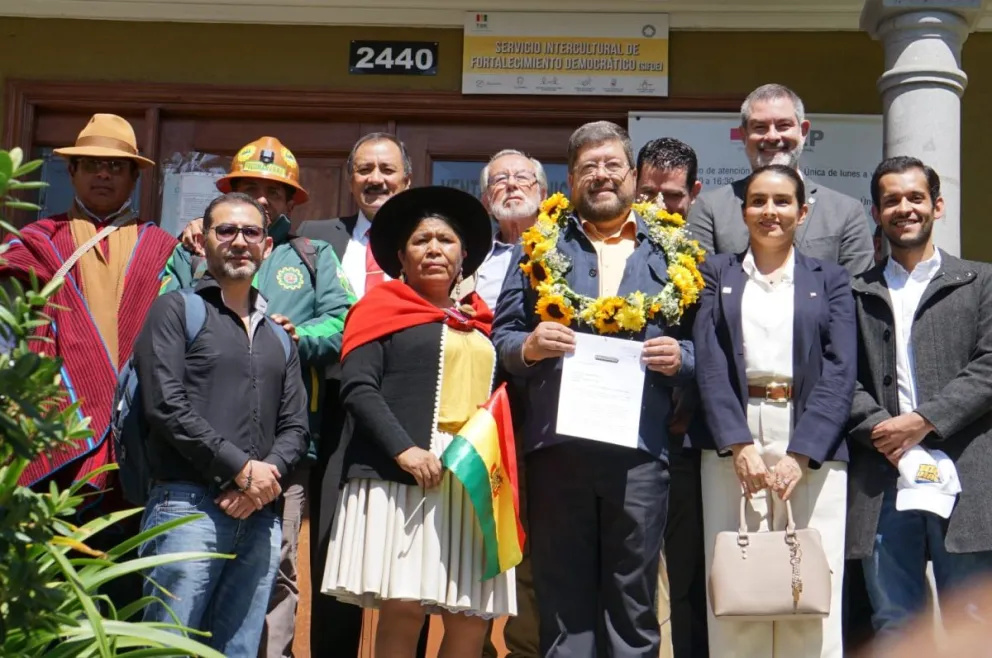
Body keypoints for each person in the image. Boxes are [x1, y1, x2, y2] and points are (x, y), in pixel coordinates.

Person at [493, 121, 696, 657]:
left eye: (611, 165)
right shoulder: (539, 245)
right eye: (589, 167)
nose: (601, 176)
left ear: (632, 175)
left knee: (633, 600)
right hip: (559, 450)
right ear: (570, 177)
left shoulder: (673, 247)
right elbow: (503, 338)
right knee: (563, 603)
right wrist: (529, 346)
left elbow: (708, 346)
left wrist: (683, 358)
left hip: (640, 452)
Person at [163, 136, 354, 658]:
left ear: (292, 203)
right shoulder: (193, 250)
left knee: (275, 572)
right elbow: (163, 325)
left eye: (275, 191)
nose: (263, 199)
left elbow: (345, 322)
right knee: (187, 573)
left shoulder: (313, 257)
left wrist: (298, 337)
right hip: (192, 453)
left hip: (283, 456)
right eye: (248, 187)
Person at [319, 185, 513, 657]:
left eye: (445, 241)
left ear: (463, 256)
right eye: (421, 240)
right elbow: (358, 388)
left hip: (470, 481)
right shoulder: (380, 310)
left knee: (471, 616)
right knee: (404, 609)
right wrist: (403, 449)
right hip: (403, 475)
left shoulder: (482, 322)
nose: (433, 249)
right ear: (401, 257)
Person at [134, 192, 310, 656]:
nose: (238, 242)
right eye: (225, 231)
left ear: (267, 247)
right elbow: (165, 405)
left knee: (238, 650)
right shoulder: (175, 310)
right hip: (186, 507)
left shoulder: (279, 336)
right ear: (203, 241)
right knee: (167, 647)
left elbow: (297, 427)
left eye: (250, 232)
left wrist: (260, 480)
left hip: (259, 517)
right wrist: (241, 469)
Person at [693, 164, 855, 657]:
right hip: (732, 439)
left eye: (782, 201)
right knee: (738, 584)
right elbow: (710, 362)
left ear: (802, 212)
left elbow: (840, 369)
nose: (770, 212)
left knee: (809, 585)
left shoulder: (830, 278)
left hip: (810, 442)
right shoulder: (715, 273)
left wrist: (802, 454)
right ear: (743, 211)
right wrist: (738, 445)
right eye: (758, 201)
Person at [847, 156, 992, 644]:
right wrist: (882, 431)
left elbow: (989, 367)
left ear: (937, 205)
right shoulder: (854, 292)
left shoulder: (981, 282)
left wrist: (924, 421)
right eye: (892, 200)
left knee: (972, 622)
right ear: (876, 212)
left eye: (915, 197)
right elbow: (839, 376)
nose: (904, 208)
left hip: (967, 475)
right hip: (884, 476)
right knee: (895, 625)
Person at [292, 132, 424, 657]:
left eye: (387, 170)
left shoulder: (426, 239)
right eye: (365, 170)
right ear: (351, 181)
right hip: (334, 414)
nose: (376, 179)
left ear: (407, 180)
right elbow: (259, 238)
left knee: (409, 562)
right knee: (331, 554)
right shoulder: (317, 234)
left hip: (408, 414)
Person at [0, 113, 176, 493]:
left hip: (136, 421)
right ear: (73, 171)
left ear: (134, 177)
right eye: (92, 165)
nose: (104, 175)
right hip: (55, 421)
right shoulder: (38, 240)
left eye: (116, 166)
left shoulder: (162, 247)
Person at [471, 149, 547, 658]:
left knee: (538, 548)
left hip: (541, 417)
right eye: (500, 180)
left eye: (523, 179)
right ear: (484, 197)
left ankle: (528, 649)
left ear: (543, 193)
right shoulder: (465, 256)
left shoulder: (566, 251)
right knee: (474, 542)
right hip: (474, 419)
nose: (511, 186)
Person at [635, 137, 707, 658]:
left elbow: (720, 353)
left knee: (684, 577)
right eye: (648, 193)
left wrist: (688, 379)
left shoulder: (710, 263)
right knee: (627, 579)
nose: (659, 207)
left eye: (673, 196)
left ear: (695, 194)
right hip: (620, 443)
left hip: (684, 447)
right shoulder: (608, 251)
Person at [687, 83, 874, 278]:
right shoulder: (710, 209)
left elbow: (855, 297)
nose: (772, 136)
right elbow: (702, 291)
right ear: (743, 135)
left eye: (783, 126)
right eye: (760, 127)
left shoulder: (845, 212)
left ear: (803, 130)